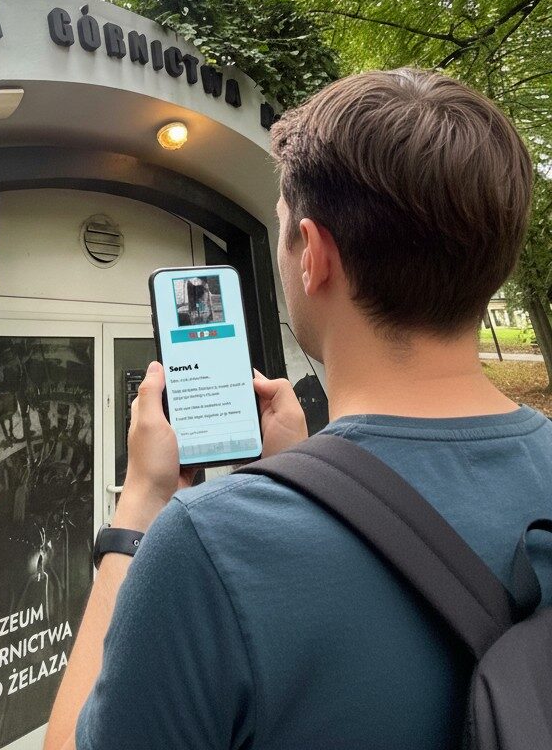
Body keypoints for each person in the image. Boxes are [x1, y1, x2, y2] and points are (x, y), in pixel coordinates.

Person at [44, 68, 552, 750]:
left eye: (284, 229)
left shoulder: (207, 548)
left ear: (313, 254)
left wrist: (139, 504)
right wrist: (311, 470)